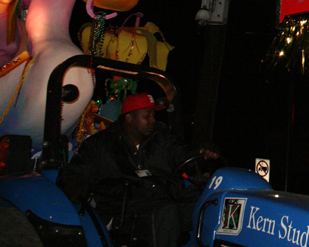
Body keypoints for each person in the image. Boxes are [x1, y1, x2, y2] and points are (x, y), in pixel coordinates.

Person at [57, 93, 219, 247]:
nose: (152, 120)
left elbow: (183, 155)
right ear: (129, 118)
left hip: (165, 201)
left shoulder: (162, 139)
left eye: (153, 115)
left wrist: (200, 153)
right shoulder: (100, 145)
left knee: (211, 204)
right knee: (166, 213)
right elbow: (76, 174)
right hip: (124, 210)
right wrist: (75, 196)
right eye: (147, 115)